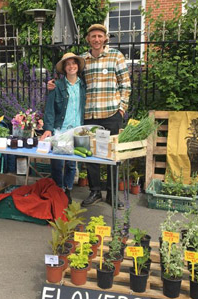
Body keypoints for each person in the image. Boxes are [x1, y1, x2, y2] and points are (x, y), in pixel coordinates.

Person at [48, 24, 131, 209]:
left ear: (105, 38)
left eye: (100, 36)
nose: (96, 39)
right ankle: (95, 191)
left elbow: (125, 84)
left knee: (110, 155)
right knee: (91, 155)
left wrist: (122, 109)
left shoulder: (116, 56)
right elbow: (73, 79)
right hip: (90, 115)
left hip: (111, 113)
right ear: (88, 39)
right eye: (93, 36)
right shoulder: (83, 60)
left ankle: (111, 193)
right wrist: (54, 85)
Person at [41, 52, 86, 204]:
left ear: (78, 66)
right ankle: (57, 189)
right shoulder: (57, 85)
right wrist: (48, 128)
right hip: (61, 130)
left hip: (79, 130)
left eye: (74, 63)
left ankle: (67, 189)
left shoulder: (83, 85)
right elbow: (49, 109)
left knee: (72, 163)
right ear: (64, 68)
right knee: (58, 163)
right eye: (68, 64)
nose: (71, 66)